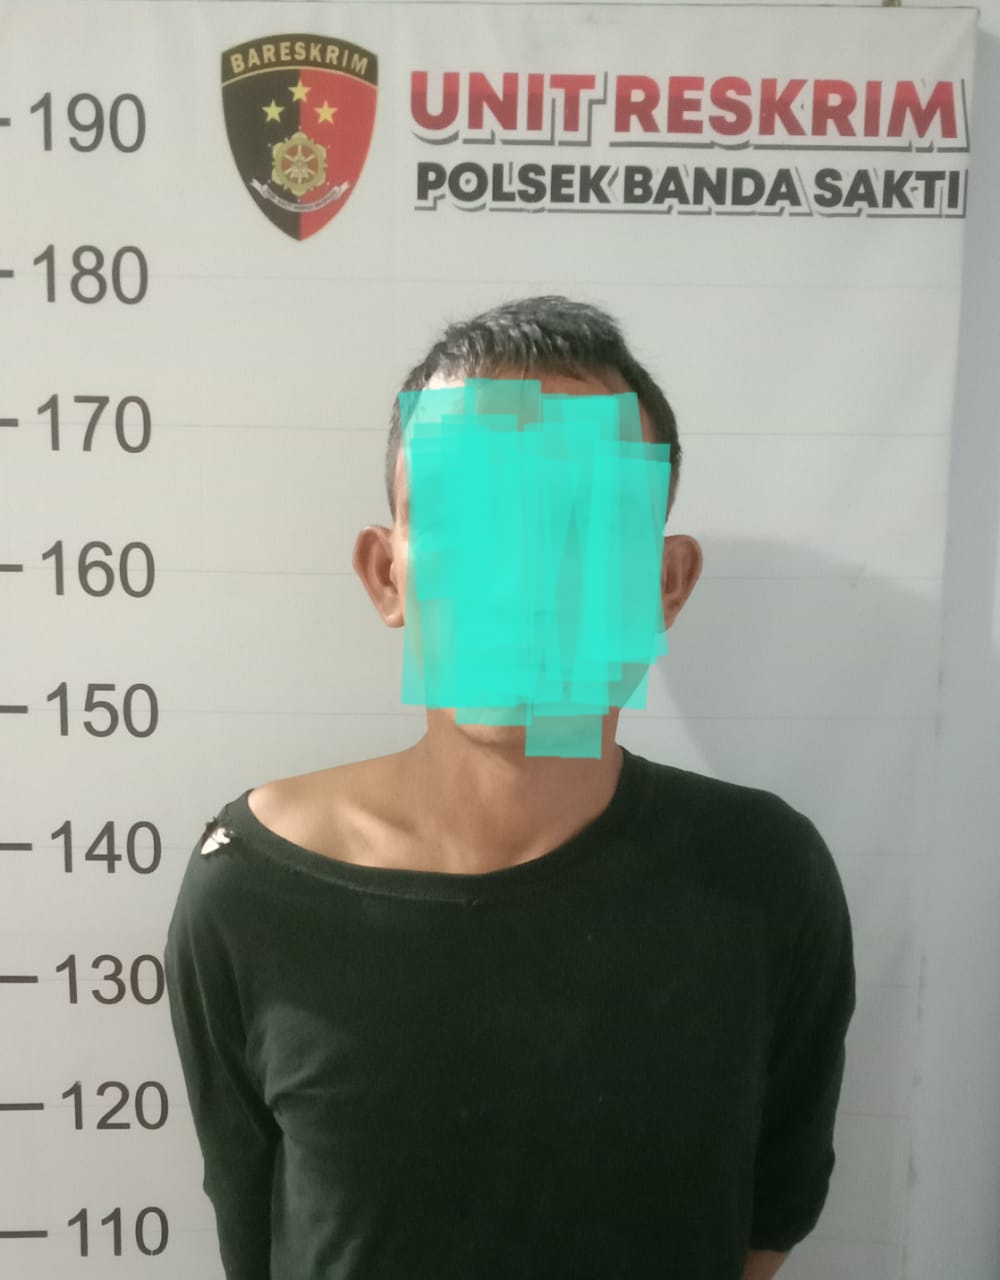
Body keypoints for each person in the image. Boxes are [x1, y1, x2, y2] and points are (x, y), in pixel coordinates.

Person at [164, 295, 856, 1280]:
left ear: (664, 584)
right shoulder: (252, 886)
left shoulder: (763, 875)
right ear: (386, 573)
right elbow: (252, 1216)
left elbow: (773, 1202)